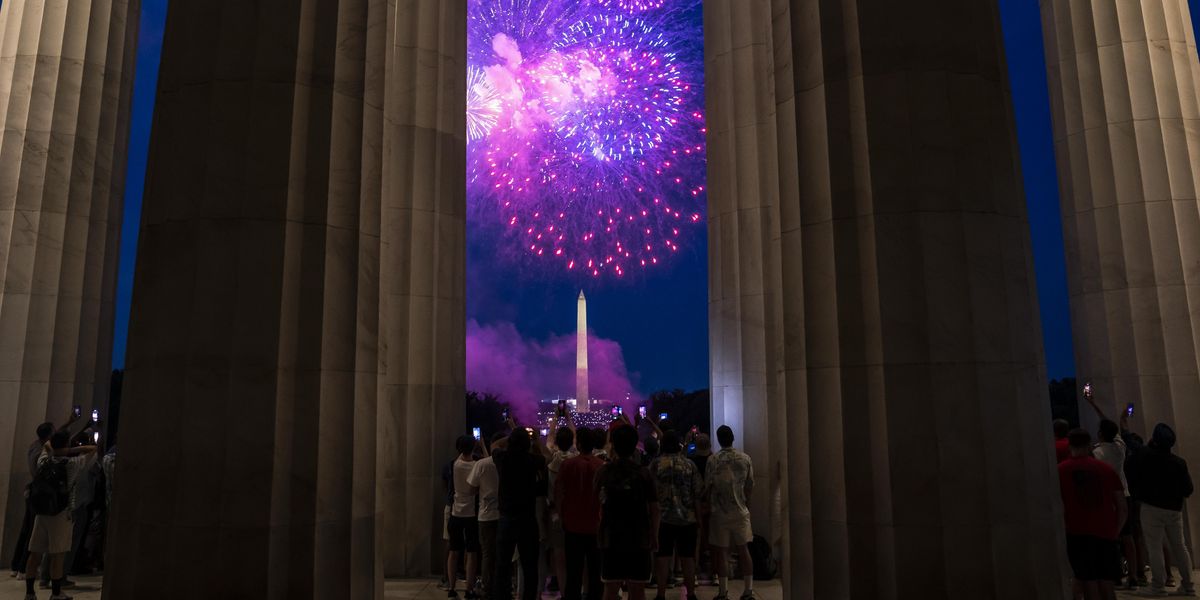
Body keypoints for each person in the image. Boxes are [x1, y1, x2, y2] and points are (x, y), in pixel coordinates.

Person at [23, 430, 98, 600]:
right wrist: (70, 450)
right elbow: (93, 449)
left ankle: (29, 592)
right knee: (58, 555)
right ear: (67, 446)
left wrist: (57, 450)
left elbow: (47, 445)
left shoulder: (45, 460)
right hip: (62, 513)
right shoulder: (73, 464)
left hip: (42, 513)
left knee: (35, 554)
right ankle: (56, 593)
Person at [1126, 423, 1194, 597]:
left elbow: (1130, 442)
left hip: (1151, 507)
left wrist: (1124, 421)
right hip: (1174, 509)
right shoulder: (1179, 463)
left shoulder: (1146, 456)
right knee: (1180, 546)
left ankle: (1158, 585)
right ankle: (1188, 585)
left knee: (1154, 546)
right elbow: (1188, 489)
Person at [1058, 428, 1126, 600]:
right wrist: (1115, 531)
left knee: (1087, 581)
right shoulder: (1106, 469)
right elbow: (1121, 505)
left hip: (1077, 532)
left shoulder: (1060, 470)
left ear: (1070, 445)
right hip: (1105, 531)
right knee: (1106, 581)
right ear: (1089, 445)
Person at [1082, 391, 1139, 590]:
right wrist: (1122, 415)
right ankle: (1133, 574)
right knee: (1128, 537)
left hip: (1107, 499)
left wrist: (1092, 404)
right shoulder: (1120, 448)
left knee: (1110, 538)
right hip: (1125, 495)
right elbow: (1110, 425)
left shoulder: (1096, 453)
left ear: (1099, 435)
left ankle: (1115, 574)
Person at [595, 425, 659, 600]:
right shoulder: (644, 474)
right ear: (634, 446)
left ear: (613, 446)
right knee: (638, 590)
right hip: (639, 537)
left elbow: (597, 504)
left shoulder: (603, 472)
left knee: (610, 589)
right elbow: (654, 509)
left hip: (611, 537)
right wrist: (654, 535)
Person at [492, 427, 547, 600]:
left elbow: (494, 445)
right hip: (527, 519)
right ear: (527, 444)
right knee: (530, 566)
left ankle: (502, 596)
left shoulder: (503, 459)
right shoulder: (533, 460)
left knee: (502, 564)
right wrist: (536, 439)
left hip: (506, 518)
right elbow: (549, 457)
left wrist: (509, 437)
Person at [649, 431, 701, 600]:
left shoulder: (656, 464)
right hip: (687, 518)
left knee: (662, 556)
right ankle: (691, 593)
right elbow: (697, 493)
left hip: (662, 519)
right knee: (688, 557)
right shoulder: (689, 465)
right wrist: (699, 519)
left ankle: (661, 593)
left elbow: (649, 493)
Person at [706, 426, 755, 600]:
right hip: (740, 510)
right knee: (744, 550)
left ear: (718, 440)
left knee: (722, 553)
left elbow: (708, 487)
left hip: (720, 512)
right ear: (733, 438)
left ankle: (723, 591)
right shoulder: (745, 458)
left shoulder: (713, 460)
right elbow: (749, 486)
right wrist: (746, 505)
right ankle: (748, 590)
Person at [555, 428, 604, 600]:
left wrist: (561, 517)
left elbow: (560, 493)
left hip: (572, 524)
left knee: (573, 572)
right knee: (595, 571)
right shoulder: (601, 466)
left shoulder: (568, 465)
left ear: (579, 444)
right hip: (595, 526)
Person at [8, 422, 55, 579]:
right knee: (32, 533)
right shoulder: (42, 451)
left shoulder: (34, 445)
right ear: (48, 435)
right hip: (39, 492)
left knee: (26, 530)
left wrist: (69, 423)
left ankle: (16, 565)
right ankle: (23, 568)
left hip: (32, 490)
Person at [468, 433, 504, 599]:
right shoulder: (508, 464)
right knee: (503, 554)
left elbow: (470, 489)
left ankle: (487, 588)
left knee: (487, 554)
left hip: (486, 515)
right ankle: (503, 587)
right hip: (504, 515)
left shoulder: (482, 464)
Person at [448, 435, 481, 599]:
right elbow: (475, 488)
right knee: (472, 552)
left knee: (454, 551)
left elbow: (459, 455)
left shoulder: (455, 464)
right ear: (473, 448)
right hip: (471, 514)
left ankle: (451, 587)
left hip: (455, 512)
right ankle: (469, 588)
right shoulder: (475, 465)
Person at [545, 422, 576, 596]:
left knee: (558, 554)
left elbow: (549, 441)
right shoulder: (576, 460)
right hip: (574, 511)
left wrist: (555, 421)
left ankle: (562, 589)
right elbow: (576, 438)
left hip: (555, 513)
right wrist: (569, 419)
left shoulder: (552, 460)